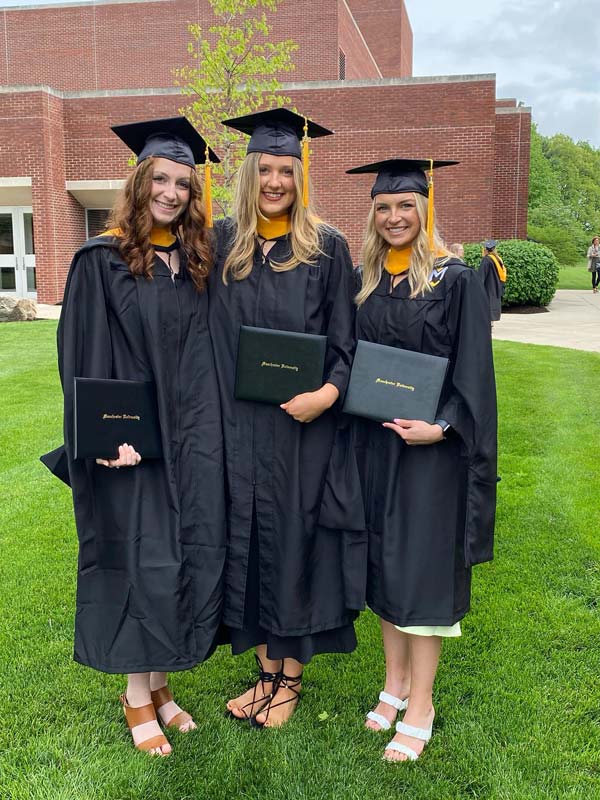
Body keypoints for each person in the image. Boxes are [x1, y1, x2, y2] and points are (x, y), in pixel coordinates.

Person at [55, 117, 225, 755]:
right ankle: (135, 697)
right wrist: (103, 435)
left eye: (183, 183)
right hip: (130, 442)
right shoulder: (100, 262)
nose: (173, 192)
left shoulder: (195, 263)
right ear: (139, 182)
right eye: (161, 178)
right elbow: (82, 358)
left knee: (178, 552)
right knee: (138, 553)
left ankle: (161, 686)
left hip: (191, 438)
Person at [209, 108, 365, 728]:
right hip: (240, 430)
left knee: (295, 545)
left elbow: (345, 344)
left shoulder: (326, 248)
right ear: (250, 173)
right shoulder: (223, 243)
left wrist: (327, 396)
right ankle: (264, 673)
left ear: (302, 176)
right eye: (266, 168)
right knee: (250, 543)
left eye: (287, 170)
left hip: (303, 430)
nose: (276, 180)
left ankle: (290, 680)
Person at [346, 158, 497, 762]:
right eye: (383, 207)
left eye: (405, 205)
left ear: (426, 208)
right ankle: (395, 684)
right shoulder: (370, 281)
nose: (394, 217)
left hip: (432, 455)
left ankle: (424, 705)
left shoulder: (455, 280)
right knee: (385, 565)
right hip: (378, 447)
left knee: (423, 577)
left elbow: (475, 375)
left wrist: (442, 427)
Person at [478, 239, 506, 321]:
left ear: (486, 250)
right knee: (493, 303)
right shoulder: (498, 259)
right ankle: (491, 322)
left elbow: (481, 275)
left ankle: (488, 323)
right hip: (496, 286)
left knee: (488, 304)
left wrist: (478, 287)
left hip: (488, 286)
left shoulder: (486, 260)